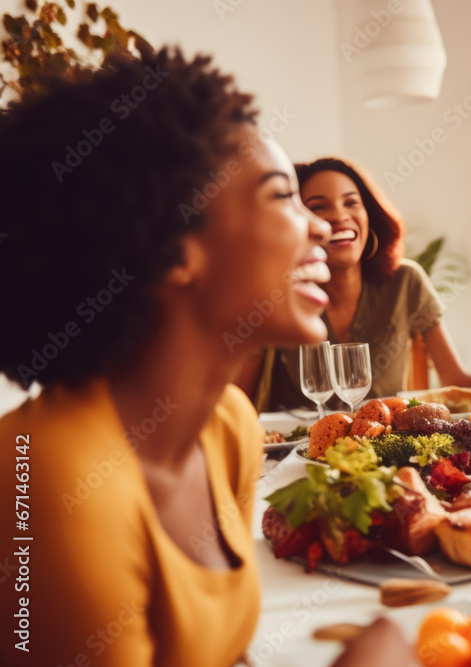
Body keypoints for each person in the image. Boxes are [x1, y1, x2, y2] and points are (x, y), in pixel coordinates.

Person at [0, 49, 333, 665]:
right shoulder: (41, 477)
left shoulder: (229, 426)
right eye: (282, 195)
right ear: (175, 248)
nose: (319, 228)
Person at [241, 157, 471, 411]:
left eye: (351, 202)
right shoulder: (277, 292)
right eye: (319, 207)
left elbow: (456, 381)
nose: (340, 215)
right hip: (290, 449)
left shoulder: (405, 281)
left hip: (377, 448)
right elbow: (237, 399)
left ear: (369, 216)